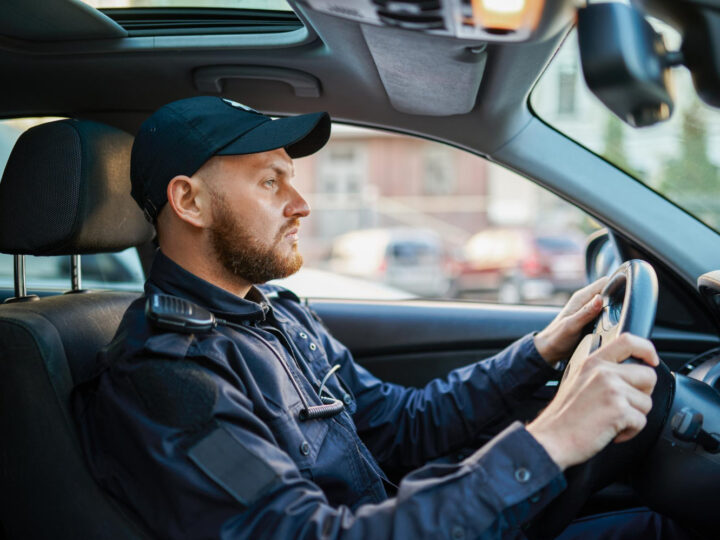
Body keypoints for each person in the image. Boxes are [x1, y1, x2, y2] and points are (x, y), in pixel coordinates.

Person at [72, 96, 690, 539]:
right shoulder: (167, 380)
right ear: (189, 201)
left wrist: (542, 352)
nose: (301, 203)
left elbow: (401, 426)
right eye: (270, 182)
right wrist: (552, 439)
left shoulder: (273, 317)